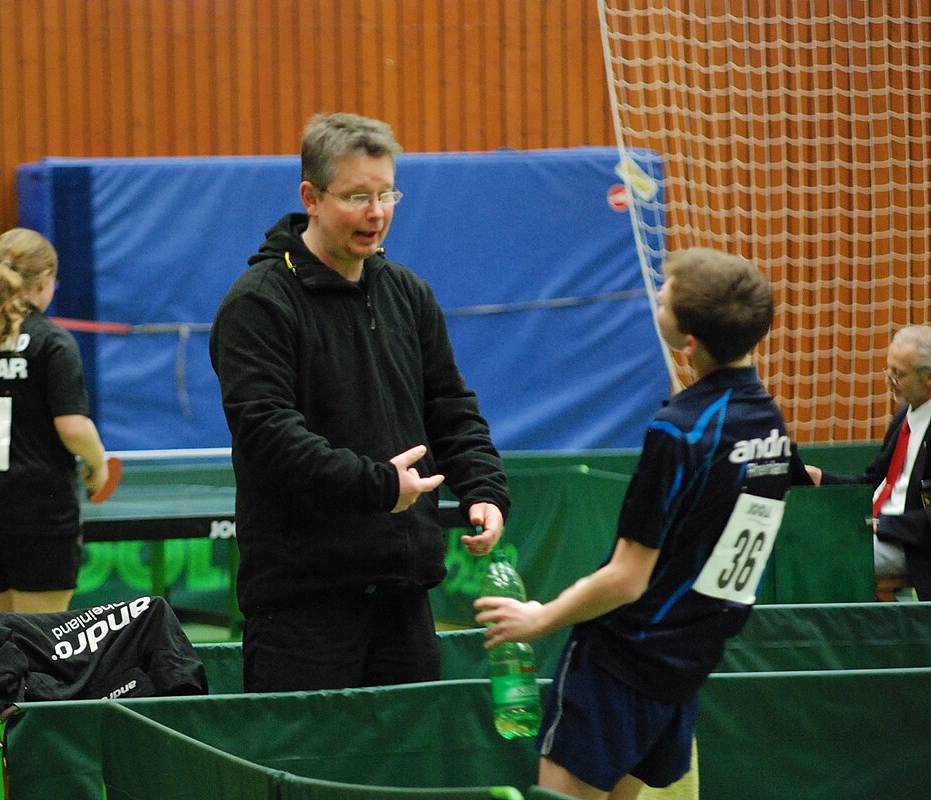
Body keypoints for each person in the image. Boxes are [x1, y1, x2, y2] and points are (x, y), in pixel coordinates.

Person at [476, 247, 795, 800]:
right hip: (686, 664)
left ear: (688, 342)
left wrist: (539, 619)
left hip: (620, 663)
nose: (658, 300)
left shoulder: (678, 431)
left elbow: (627, 578)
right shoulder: (770, 425)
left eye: (664, 300)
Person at [209, 112, 510, 692]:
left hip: (404, 596)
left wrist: (484, 488)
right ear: (311, 198)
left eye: (386, 194)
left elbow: (450, 406)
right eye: (356, 197)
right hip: (303, 608)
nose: (377, 213)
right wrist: (377, 486)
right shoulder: (258, 304)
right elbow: (269, 434)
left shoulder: (407, 293)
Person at [0, 227, 108, 614]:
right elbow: (72, 427)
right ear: (45, 280)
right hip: (38, 510)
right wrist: (98, 463)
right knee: (39, 640)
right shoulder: (51, 342)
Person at [802, 324, 931, 601]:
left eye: (899, 374)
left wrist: (884, 525)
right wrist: (820, 477)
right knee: (805, 543)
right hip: (879, 531)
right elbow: (871, 483)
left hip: (911, 545)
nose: (890, 381)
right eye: (888, 371)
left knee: (825, 558)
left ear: (929, 378)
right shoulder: (903, 417)